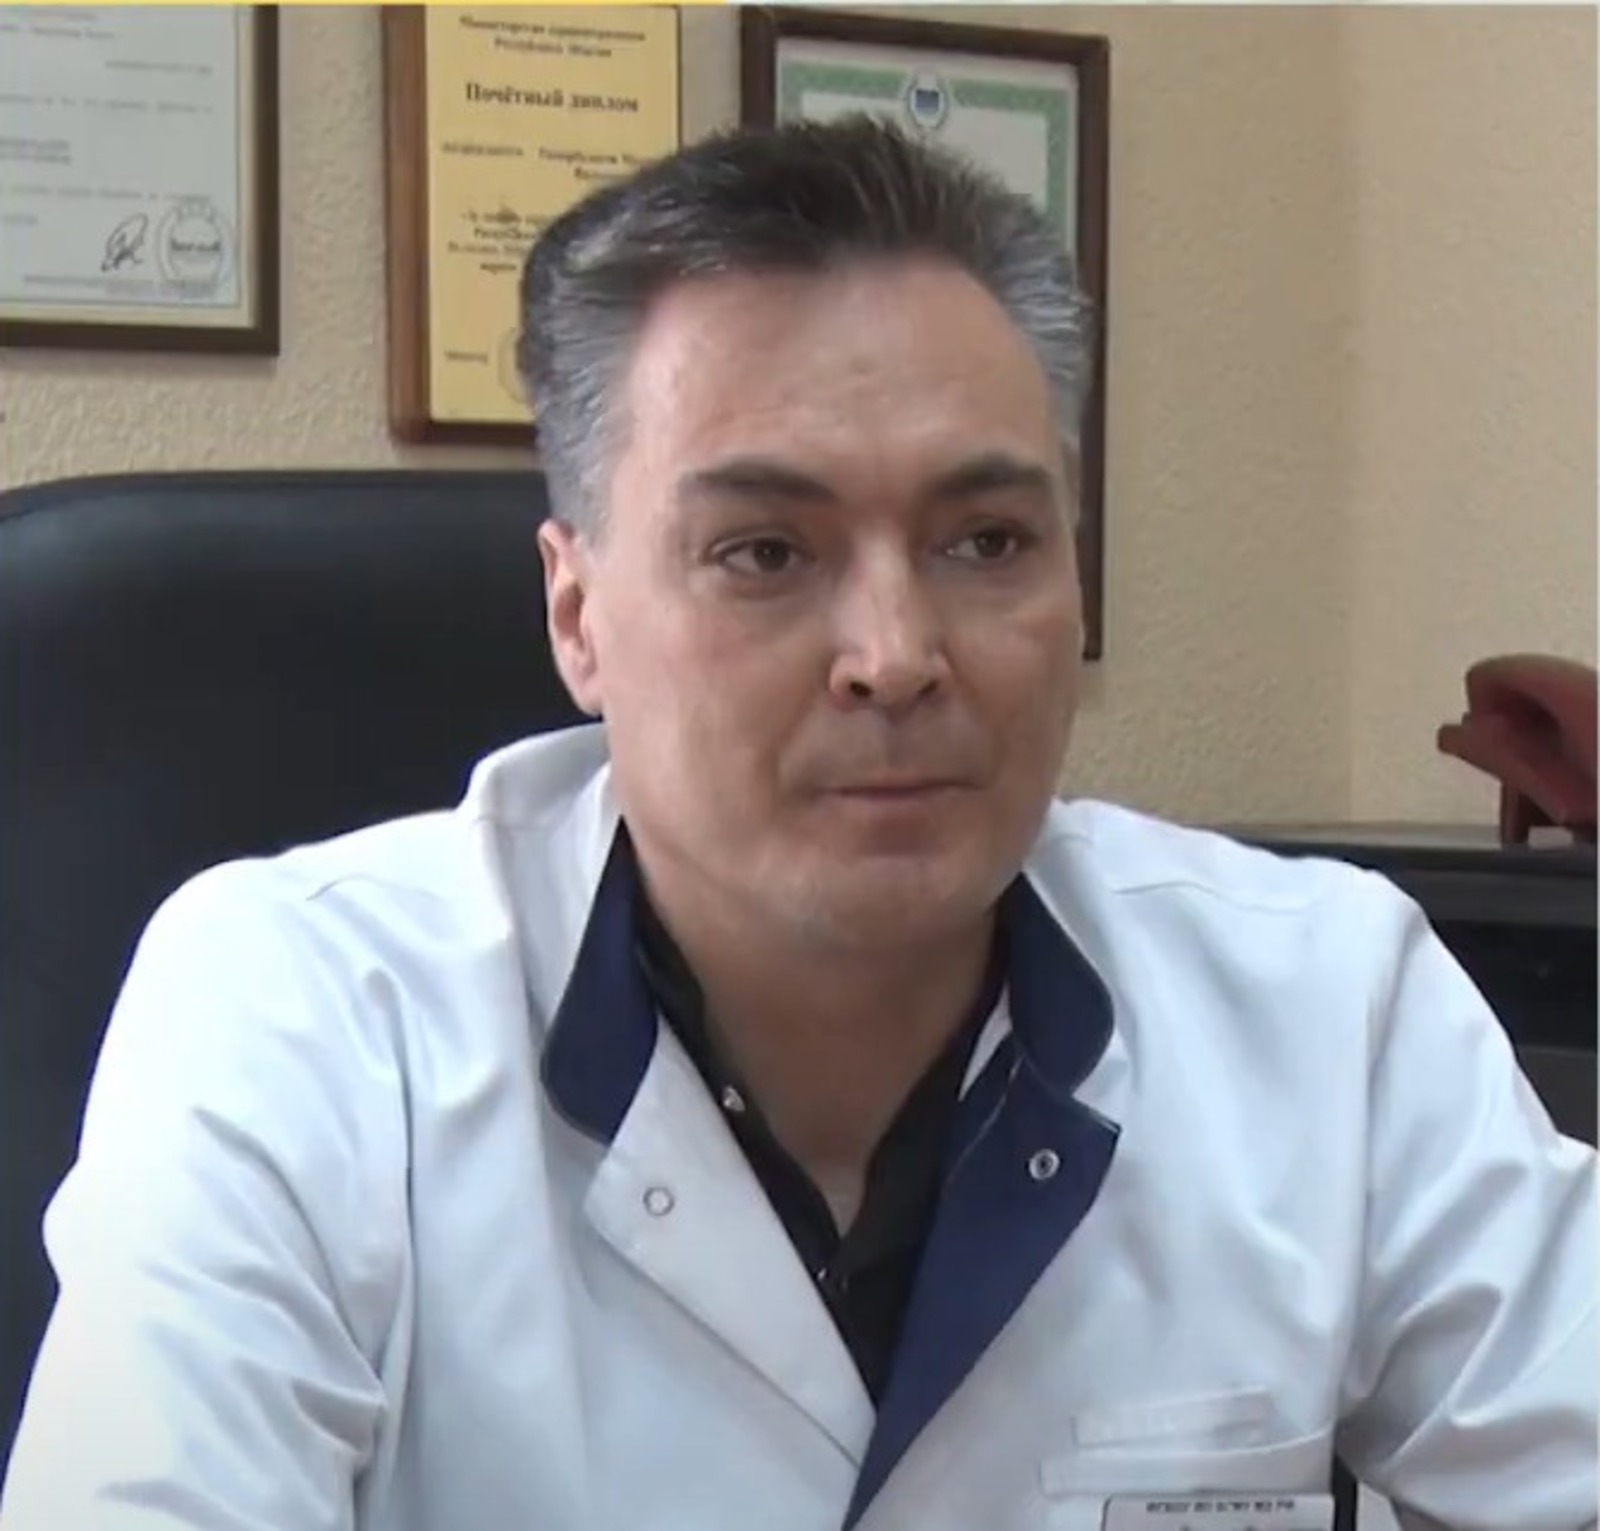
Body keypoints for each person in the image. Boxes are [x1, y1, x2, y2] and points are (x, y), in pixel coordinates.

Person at [1, 117, 1594, 1531]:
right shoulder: (302, 1015)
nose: (897, 654)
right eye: (764, 552)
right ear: (579, 617)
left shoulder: (1329, 1006)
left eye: (986, 540)